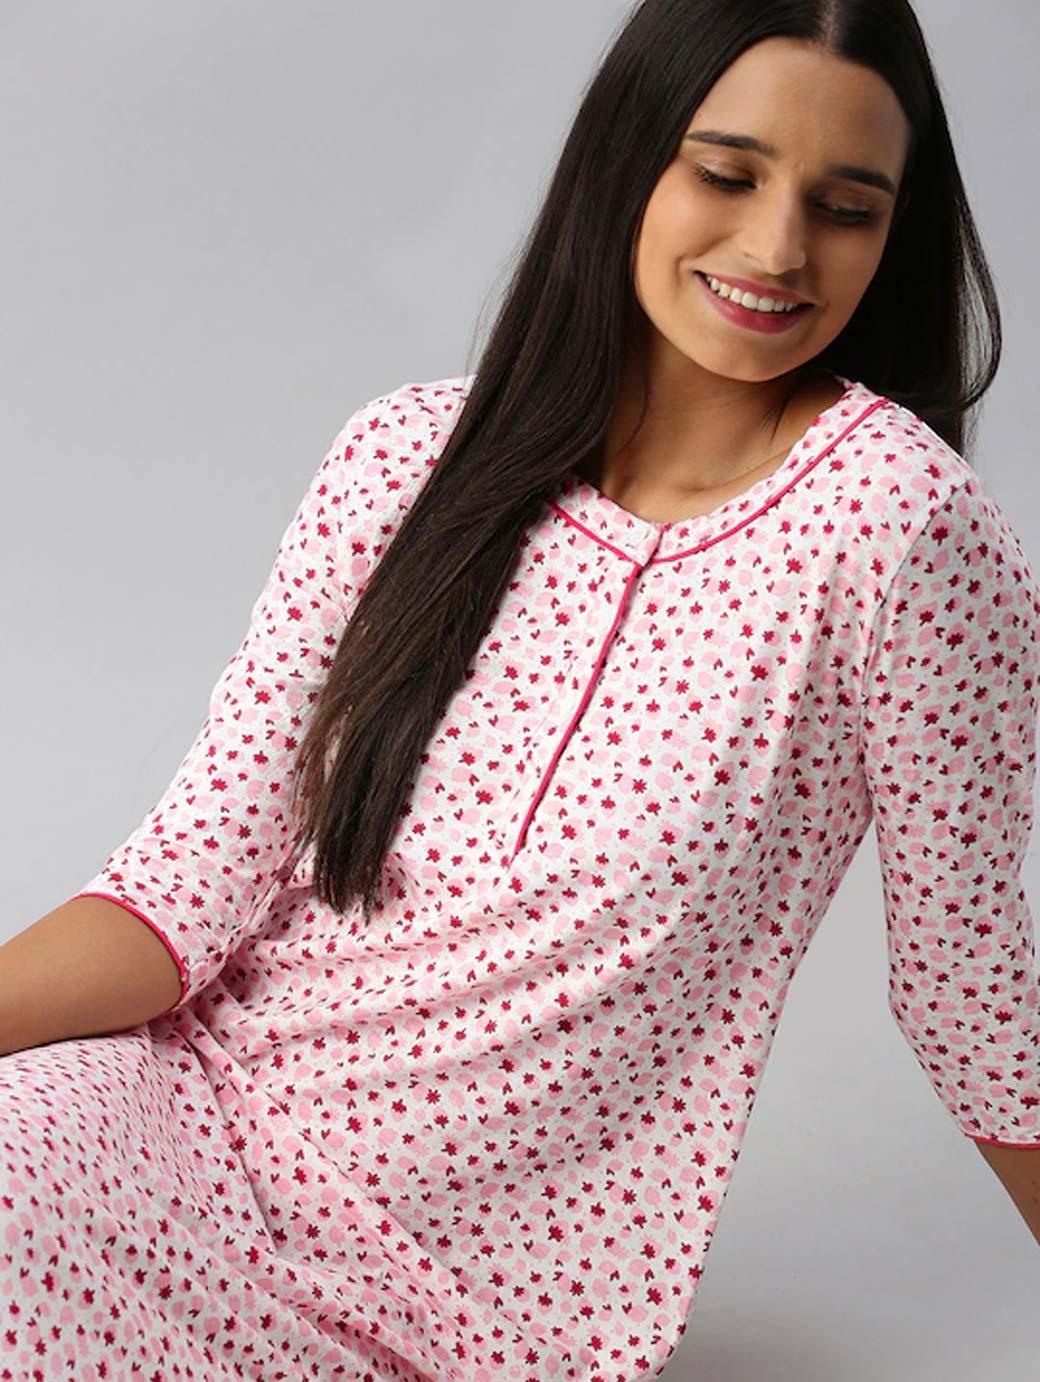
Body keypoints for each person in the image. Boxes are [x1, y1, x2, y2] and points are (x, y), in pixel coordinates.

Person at [2, 2, 1038, 1379]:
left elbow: (973, 989)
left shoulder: (898, 524)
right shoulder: (406, 458)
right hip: (166, 1125)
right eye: (725, 173)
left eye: (845, 208)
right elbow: (186, 885)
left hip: (466, 1297)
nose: (779, 247)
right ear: (626, 160)